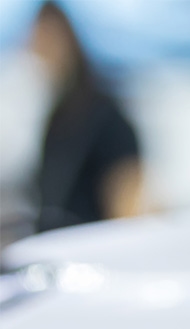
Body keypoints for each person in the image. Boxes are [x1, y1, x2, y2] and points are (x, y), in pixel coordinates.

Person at [30, 1, 144, 231]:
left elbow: (127, 202)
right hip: (56, 241)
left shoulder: (106, 117)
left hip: (91, 244)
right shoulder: (58, 113)